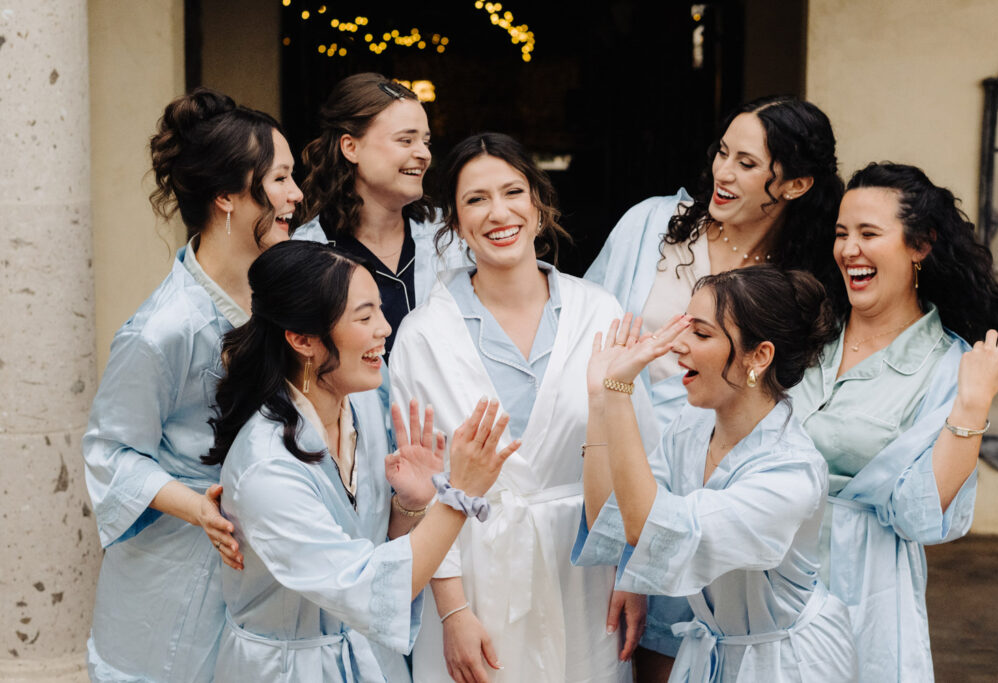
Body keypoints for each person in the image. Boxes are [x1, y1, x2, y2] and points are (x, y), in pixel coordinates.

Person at [389, 133, 658, 683]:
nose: (498, 212)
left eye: (513, 191)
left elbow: (643, 457)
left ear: (538, 205)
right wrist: (454, 613)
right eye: (476, 200)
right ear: (456, 224)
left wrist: (634, 572)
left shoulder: (597, 311)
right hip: (474, 576)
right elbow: (420, 491)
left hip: (587, 573)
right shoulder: (425, 334)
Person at [204, 240, 518, 682]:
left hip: (369, 658)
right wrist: (457, 495)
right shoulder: (266, 468)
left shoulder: (365, 405)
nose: (385, 328)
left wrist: (408, 506)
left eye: (379, 312)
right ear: (302, 340)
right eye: (365, 316)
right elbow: (369, 588)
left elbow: (370, 544)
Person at [81, 88, 303, 681]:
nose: (296, 195)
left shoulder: (287, 289)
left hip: (272, 568)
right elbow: (110, 453)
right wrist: (200, 511)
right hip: (178, 575)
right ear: (228, 195)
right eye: (280, 179)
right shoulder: (161, 330)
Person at [789, 162, 998, 683]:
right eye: (842, 233)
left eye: (869, 233)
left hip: (862, 594)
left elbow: (921, 517)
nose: (849, 249)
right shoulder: (806, 333)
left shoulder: (949, 366)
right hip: (763, 579)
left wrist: (972, 406)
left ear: (920, 246)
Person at [575, 266, 857, 682]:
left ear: (758, 356)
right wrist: (601, 399)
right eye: (685, 328)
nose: (678, 346)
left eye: (701, 335)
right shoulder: (690, 428)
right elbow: (609, 517)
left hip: (788, 662)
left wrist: (622, 393)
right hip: (714, 652)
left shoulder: (790, 472)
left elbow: (649, 528)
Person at [585, 95, 843, 432]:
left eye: (746, 164)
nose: (723, 172)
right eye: (723, 153)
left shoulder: (802, 282)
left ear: (796, 185)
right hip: (610, 437)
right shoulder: (649, 225)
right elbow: (583, 324)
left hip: (715, 463)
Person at [294, 72, 466, 356]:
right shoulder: (308, 253)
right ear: (351, 147)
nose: (423, 153)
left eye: (426, 141)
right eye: (406, 140)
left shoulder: (451, 235)